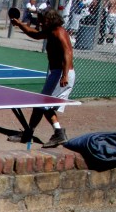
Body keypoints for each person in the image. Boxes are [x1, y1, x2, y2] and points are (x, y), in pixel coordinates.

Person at [8, 8, 74, 148]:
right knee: (40, 105)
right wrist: (19, 24)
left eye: (41, 20)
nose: (39, 22)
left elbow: (68, 52)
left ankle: (59, 132)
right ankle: (29, 132)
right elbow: (34, 34)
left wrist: (65, 75)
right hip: (57, 73)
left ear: (49, 19)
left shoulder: (59, 32)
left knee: (43, 105)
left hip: (61, 73)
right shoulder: (50, 31)